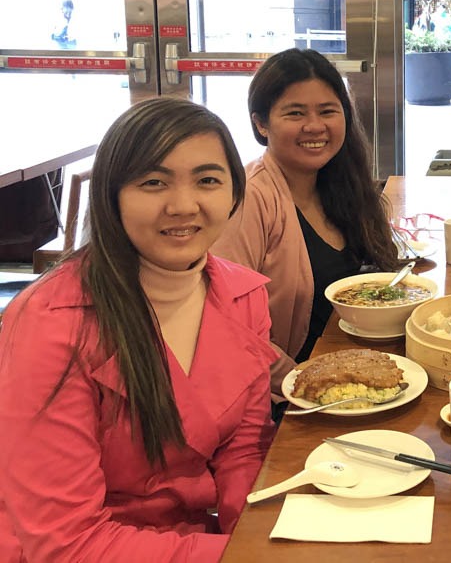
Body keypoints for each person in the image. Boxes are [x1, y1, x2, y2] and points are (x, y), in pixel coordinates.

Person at [0, 99, 275, 561]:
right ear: (112, 195)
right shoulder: (51, 323)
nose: (184, 205)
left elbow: (243, 451)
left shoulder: (242, 294)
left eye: (208, 180)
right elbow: (65, 541)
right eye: (153, 182)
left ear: (234, 193)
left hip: (195, 542)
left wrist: (264, 537)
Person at [212, 48, 399, 404]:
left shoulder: (339, 182)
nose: (315, 126)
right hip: (289, 394)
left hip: (352, 364)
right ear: (261, 123)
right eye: (295, 113)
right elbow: (227, 326)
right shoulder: (251, 198)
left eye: (327, 111)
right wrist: (306, 383)